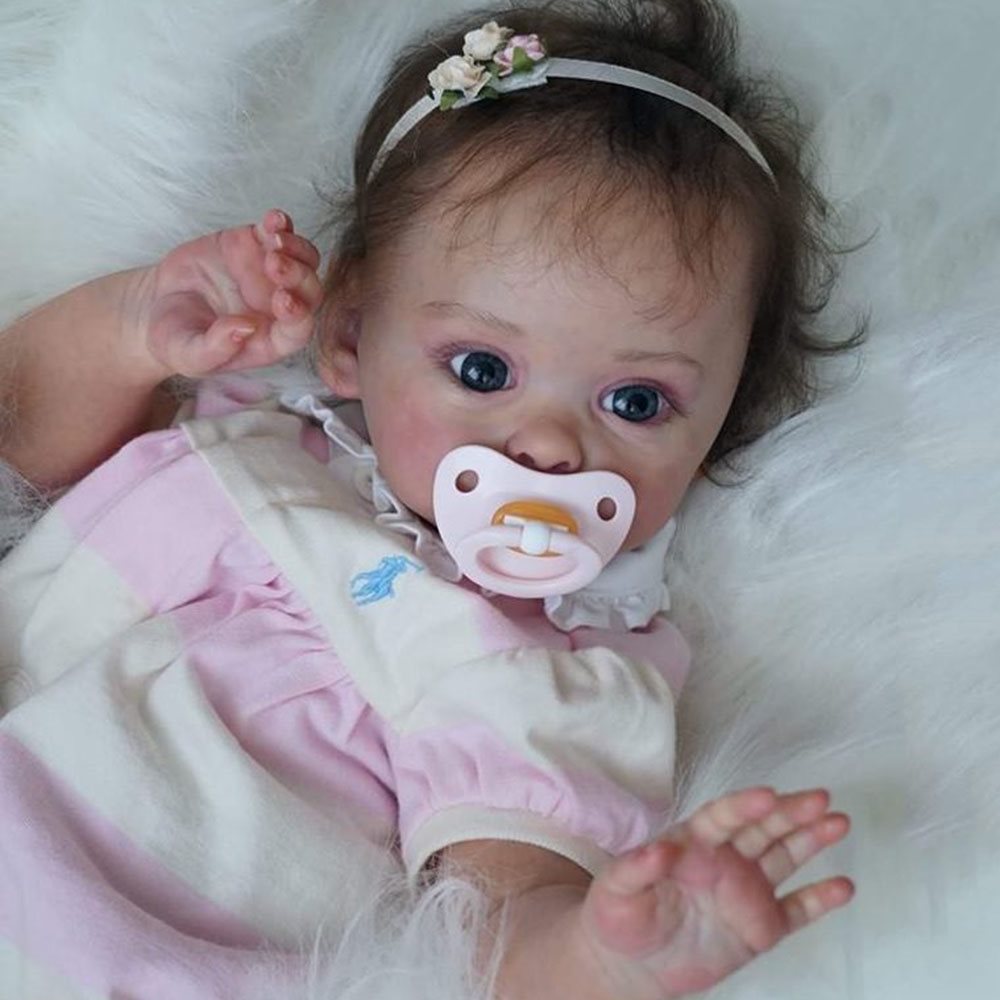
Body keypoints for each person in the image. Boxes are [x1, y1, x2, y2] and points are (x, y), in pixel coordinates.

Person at [0, 1, 859, 997]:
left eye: (636, 401)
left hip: (100, 954)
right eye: (483, 369)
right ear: (351, 333)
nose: (548, 444)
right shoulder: (254, 433)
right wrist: (130, 328)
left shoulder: (540, 672)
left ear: (717, 433)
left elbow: (495, 927)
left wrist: (603, 951)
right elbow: (24, 441)